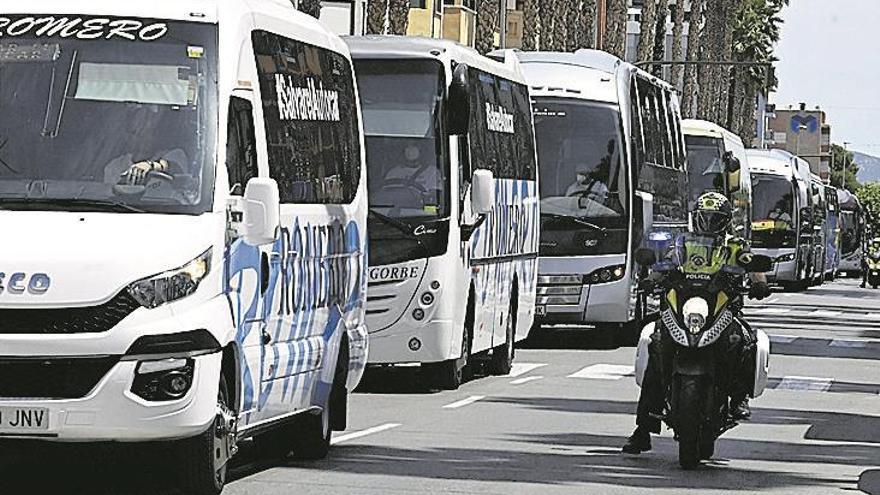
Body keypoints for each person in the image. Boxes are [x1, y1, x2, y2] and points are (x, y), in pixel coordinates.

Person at [622, 192, 771, 455]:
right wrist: (652, 277)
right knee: (656, 347)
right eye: (706, 217)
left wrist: (760, 282)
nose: (710, 223)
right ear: (696, 218)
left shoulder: (735, 245)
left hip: (721, 306)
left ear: (725, 220)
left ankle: (738, 398)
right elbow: (665, 262)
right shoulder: (682, 242)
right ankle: (643, 429)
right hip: (682, 305)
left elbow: (751, 262)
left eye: (716, 219)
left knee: (743, 342)